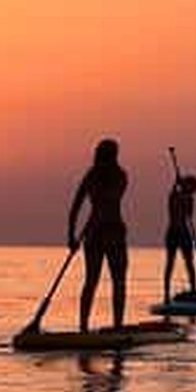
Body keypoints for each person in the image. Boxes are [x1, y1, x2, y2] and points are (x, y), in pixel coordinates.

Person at [67, 138, 128, 332]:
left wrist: (74, 233)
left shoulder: (118, 175)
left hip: (108, 231)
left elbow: (113, 197)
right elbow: (76, 206)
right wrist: (71, 236)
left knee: (117, 280)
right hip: (101, 233)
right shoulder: (95, 175)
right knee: (94, 280)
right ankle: (83, 327)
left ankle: (117, 325)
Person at [163, 173, 196, 303]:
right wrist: (176, 184)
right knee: (170, 263)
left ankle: (194, 290)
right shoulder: (174, 195)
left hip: (184, 232)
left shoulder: (189, 199)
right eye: (193, 187)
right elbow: (172, 199)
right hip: (173, 233)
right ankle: (166, 293)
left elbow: (189, 215)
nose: (195, 190)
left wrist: (184, 195)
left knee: (189, 263)